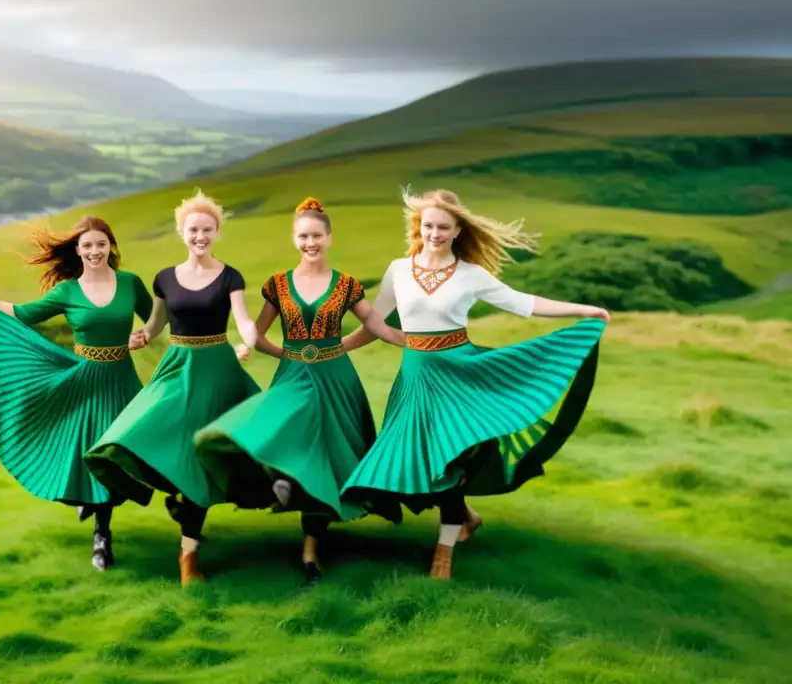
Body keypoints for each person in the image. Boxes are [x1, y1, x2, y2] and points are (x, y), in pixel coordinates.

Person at [340, 188, 609, 580]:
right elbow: (375, 323)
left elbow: (524, 303)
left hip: (462, 375)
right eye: (428, 225)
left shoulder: (470, 275)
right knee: (419, 465)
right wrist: (336, 349)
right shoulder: (399, 269)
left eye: (443, 227)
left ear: (457, 230)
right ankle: (465, 517)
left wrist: (584, 309)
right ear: (420, 226)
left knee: (451, 462)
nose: (434, 233)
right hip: (415, 382)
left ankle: (443, 552)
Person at [194, 197, 402, 586]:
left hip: (336, 380)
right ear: (295, 238)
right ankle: (279, 485)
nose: (311, 243)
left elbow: (378, 327)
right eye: (304, 236)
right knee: (281, 433)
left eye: (317, 236)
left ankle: (310, 555)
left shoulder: (346, 285)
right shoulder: (278, 284)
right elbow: (257, 331)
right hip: (292, 376)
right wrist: (262, 348)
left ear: (329, 237)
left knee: (326, 462)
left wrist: (420, 344)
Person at [0, 215, 153, 572]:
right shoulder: (68, 291)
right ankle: (102, 535)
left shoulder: (130, 283)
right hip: (84, 382)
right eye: (87, 246)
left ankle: (121, 508)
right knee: (92, 455)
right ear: (78, 251)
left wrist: (145, 332)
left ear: (110, 246)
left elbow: (157, 314)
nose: (95, 251)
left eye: (101, 244)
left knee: (126, 455)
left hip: (122, 381)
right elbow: (23, 314)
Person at [83, 190, 260, 586]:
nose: (201, 236)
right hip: (177, 367)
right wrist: (143, 334)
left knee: (203, 459)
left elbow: (243, 319)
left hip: (217, 370)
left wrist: (249, 341)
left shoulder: (231, 276)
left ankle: (188, 556)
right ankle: (168, 498)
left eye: (208, 229)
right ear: (183, 232)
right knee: (131, 433)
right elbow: (157, 321)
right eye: (193, 229)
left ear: (217, 232)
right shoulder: (164, 278)